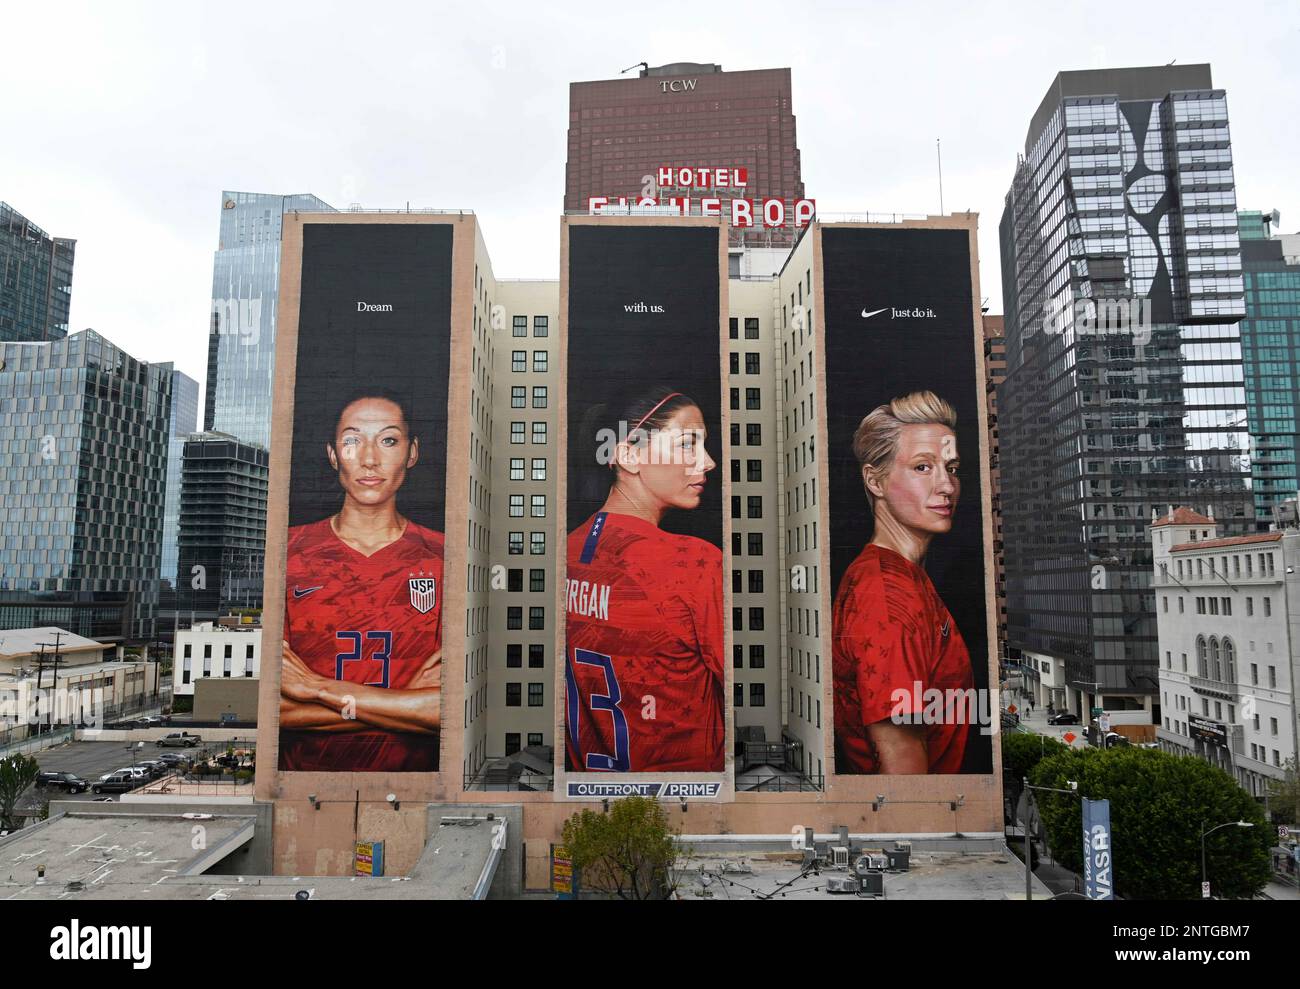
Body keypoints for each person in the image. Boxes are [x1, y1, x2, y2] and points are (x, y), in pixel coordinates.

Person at [278, 387, 443, 773]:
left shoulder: (446, 557)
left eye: (388, 440)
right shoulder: (289, 549)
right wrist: (403, 702)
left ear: (412, 453)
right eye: (353, 441)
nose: (369, 459)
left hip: (420, 787)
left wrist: (317, 689)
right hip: (305, 788)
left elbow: (446, 709)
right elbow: (276, 708)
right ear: (333, 454)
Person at [566, 388, 725, 773]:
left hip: (597, 796)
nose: (708, 462)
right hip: (686, 801)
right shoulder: (693, 562)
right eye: (688, 444)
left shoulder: (566, 552)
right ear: (629, 455)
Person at [833, 390, 975, 774]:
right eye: (923, 468)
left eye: (953, 467)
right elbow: (902, 772)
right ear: (875, 481)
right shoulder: (887, 596)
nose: (947, 486)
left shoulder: (903, 578)